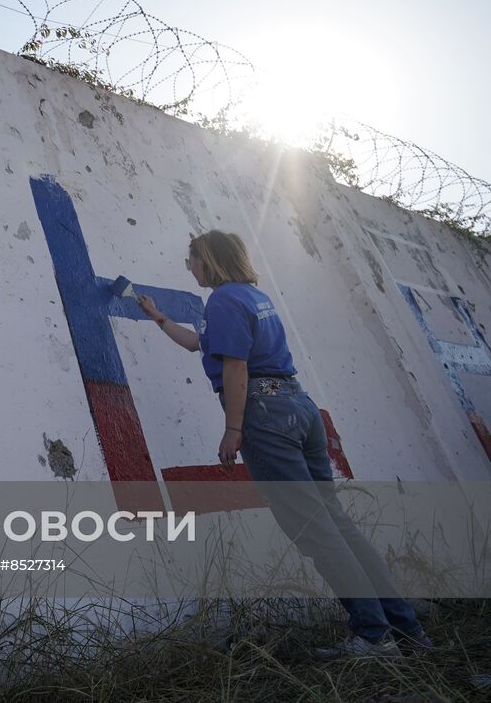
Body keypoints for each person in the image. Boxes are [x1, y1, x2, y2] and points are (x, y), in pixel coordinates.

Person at [137, 230, 431, 660]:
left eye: (192, 260)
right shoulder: (252, 297)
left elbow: (236, 366)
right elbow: (201, 345)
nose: (190, 267)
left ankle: (372, 636)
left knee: (318, 533)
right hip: (299, 408)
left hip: (264, 416)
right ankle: (408, 632)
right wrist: (159, 318)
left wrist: (233, 429)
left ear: (211, 260)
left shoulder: (222, 300)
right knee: (337, 525)